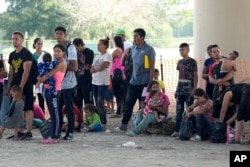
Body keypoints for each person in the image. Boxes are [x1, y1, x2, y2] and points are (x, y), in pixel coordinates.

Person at [114, 28, 156, 132]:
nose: (134, 38)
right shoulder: (133, 49)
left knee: (143, 104)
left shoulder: (149, 50)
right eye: (134, 36)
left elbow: (151, 67)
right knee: (129, 103)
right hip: (133, 81)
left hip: (145, 82)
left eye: (136, 36)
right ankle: (123, 125)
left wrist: (150, 82)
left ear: (142, 37)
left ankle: (142, 126)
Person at [4, 31, 34, 140]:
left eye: (16, 39)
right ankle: (20, 131)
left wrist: (21, 87)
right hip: (15, 85)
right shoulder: (12, 54)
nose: (14, 41)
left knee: (28, 108)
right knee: (18, 108)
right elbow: (11, 72)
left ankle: (29, 132)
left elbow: (26, 72)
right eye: (13, 39)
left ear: (22, 40)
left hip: (26, 85)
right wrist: (9, 88)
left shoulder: (26, 53)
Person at [36, 44, 67, 144]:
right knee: (52, 113)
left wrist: (39, 81)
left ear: (63, 52)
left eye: (58, 51)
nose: (56, 53)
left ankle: (55, 136)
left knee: (55, 113)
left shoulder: (62, 63)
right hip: (48, 89)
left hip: (55, 91)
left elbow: (50, 74)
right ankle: (52, 134)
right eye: (55, 51)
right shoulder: (53, 62)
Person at [55, 26, 78, 141]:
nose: (58, 35)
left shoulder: (70, 47)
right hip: (59, 84)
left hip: (69, 84)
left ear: (65, 34)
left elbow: (74, 67)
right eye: (57, 33)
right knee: (58, 108)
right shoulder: (57, 48)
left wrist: (61, 67)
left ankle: (70, 133)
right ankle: (57, 131)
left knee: (69, 109)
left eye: (60, 33)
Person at [171, 43, 198, 138]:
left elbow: (195, 76)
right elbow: (180, 77)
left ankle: (193, 130)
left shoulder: (192, 62)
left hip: (189, 90)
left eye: (183, 49)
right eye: (180, 50)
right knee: (178, 111)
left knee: (190, 109)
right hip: (180, 91)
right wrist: (177, 90)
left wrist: (194, 89)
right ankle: (178, 129)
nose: (181, 51)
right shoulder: (180, 62)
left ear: (188, 50)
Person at [208, 44, 235, 122]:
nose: (216, 53)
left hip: (229, 89)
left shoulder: (228, 61)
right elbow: (210, 79)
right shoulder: (211, 66)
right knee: (217, 112)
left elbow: (231, 74)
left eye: (218, 51)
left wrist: (221, 81)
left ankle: (230, 131)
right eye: (214, 52)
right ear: (211, 54)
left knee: (230, 112)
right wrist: (220, 82)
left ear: (221, 52)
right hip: (217, 92)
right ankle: (219, 130)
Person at [91, 37, 112, 129]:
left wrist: (96, 69)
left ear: (105, 46)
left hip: (103, 81)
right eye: (97, 45)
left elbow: (103, 66)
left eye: (100, 44)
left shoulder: (107, 56)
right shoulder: (97, 56)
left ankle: (104, 121)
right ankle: (98, 119)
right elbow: (92, 68)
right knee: (96, 101)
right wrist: (95, 69)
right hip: (95, 81)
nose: (98, 46)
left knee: (100, 101)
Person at [73, 38, 94, 112]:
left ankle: (90, 118)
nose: (76, 49)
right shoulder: (75, 54)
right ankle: (79, 119)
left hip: (86, 79)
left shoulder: (89, 52)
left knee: (88, 100)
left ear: (81, 45)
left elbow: (88, 66)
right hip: (77, 80)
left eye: (76, 47)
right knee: (77, 101)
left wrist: (79, 67)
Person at [110, 36, 125, 116]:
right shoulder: (122, 50)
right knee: (122, 92)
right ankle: (122, 109)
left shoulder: (117, 50)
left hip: (116, 73)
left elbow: (109, 58)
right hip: (122, 73)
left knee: (117, 92)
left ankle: (119, 110)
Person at [33, 38, 46, 112]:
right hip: (37, 79)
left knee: (49, 99)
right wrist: (38, 78)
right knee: (41, 99)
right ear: (35, 45)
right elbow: (33, 70)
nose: (40, 45)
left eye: (41, 44)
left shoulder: (45, 54)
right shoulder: (32, 56)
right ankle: (42, 117)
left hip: (46, 78)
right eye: (38, 44)